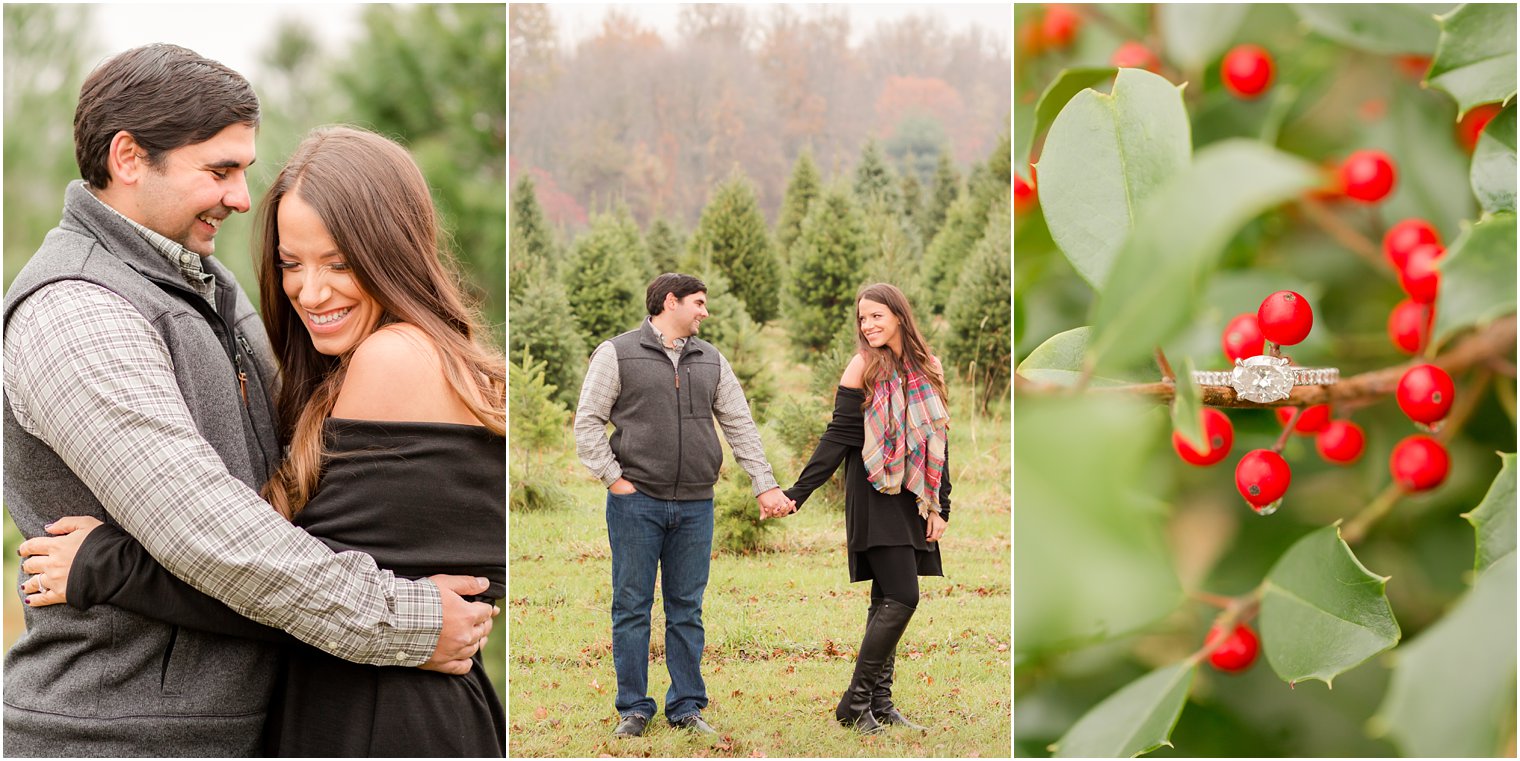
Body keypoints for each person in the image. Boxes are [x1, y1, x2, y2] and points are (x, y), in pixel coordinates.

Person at [2, 45, 493, 756]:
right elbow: (214, 537)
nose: (239, 196)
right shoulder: (77, 313)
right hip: (120, 736)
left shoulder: (206, 292)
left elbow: (291, 507)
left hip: (263, 722)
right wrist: (409, 620)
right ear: (129, 157)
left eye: (244, 171)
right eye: (220, 169)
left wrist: (108, 560)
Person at [573, 273, 795, 738]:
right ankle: (633, 708)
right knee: (632, 606)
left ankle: (687, 707)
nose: (704, 312)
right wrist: (614, 480)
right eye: (698, 303)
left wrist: (765, 485)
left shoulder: (710, 359)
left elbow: (740, 425)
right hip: (637, 504)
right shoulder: (618, 353)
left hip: (696, 505)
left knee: (686, 608)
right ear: (669, 303)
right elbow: (588, 422)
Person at [781, 282, 952, 734]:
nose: (868, 325)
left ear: (898, 314)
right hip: (876, 494)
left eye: (876, 315)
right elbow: (838, 436)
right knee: (903, 596)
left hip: (915, 496)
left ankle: (880, 701)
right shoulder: (863, 367)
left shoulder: (928, 366)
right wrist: (798, 492)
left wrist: (941, 507)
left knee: (886, 599)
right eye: (862, 318)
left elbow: (937, 437)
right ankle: (854, 705)